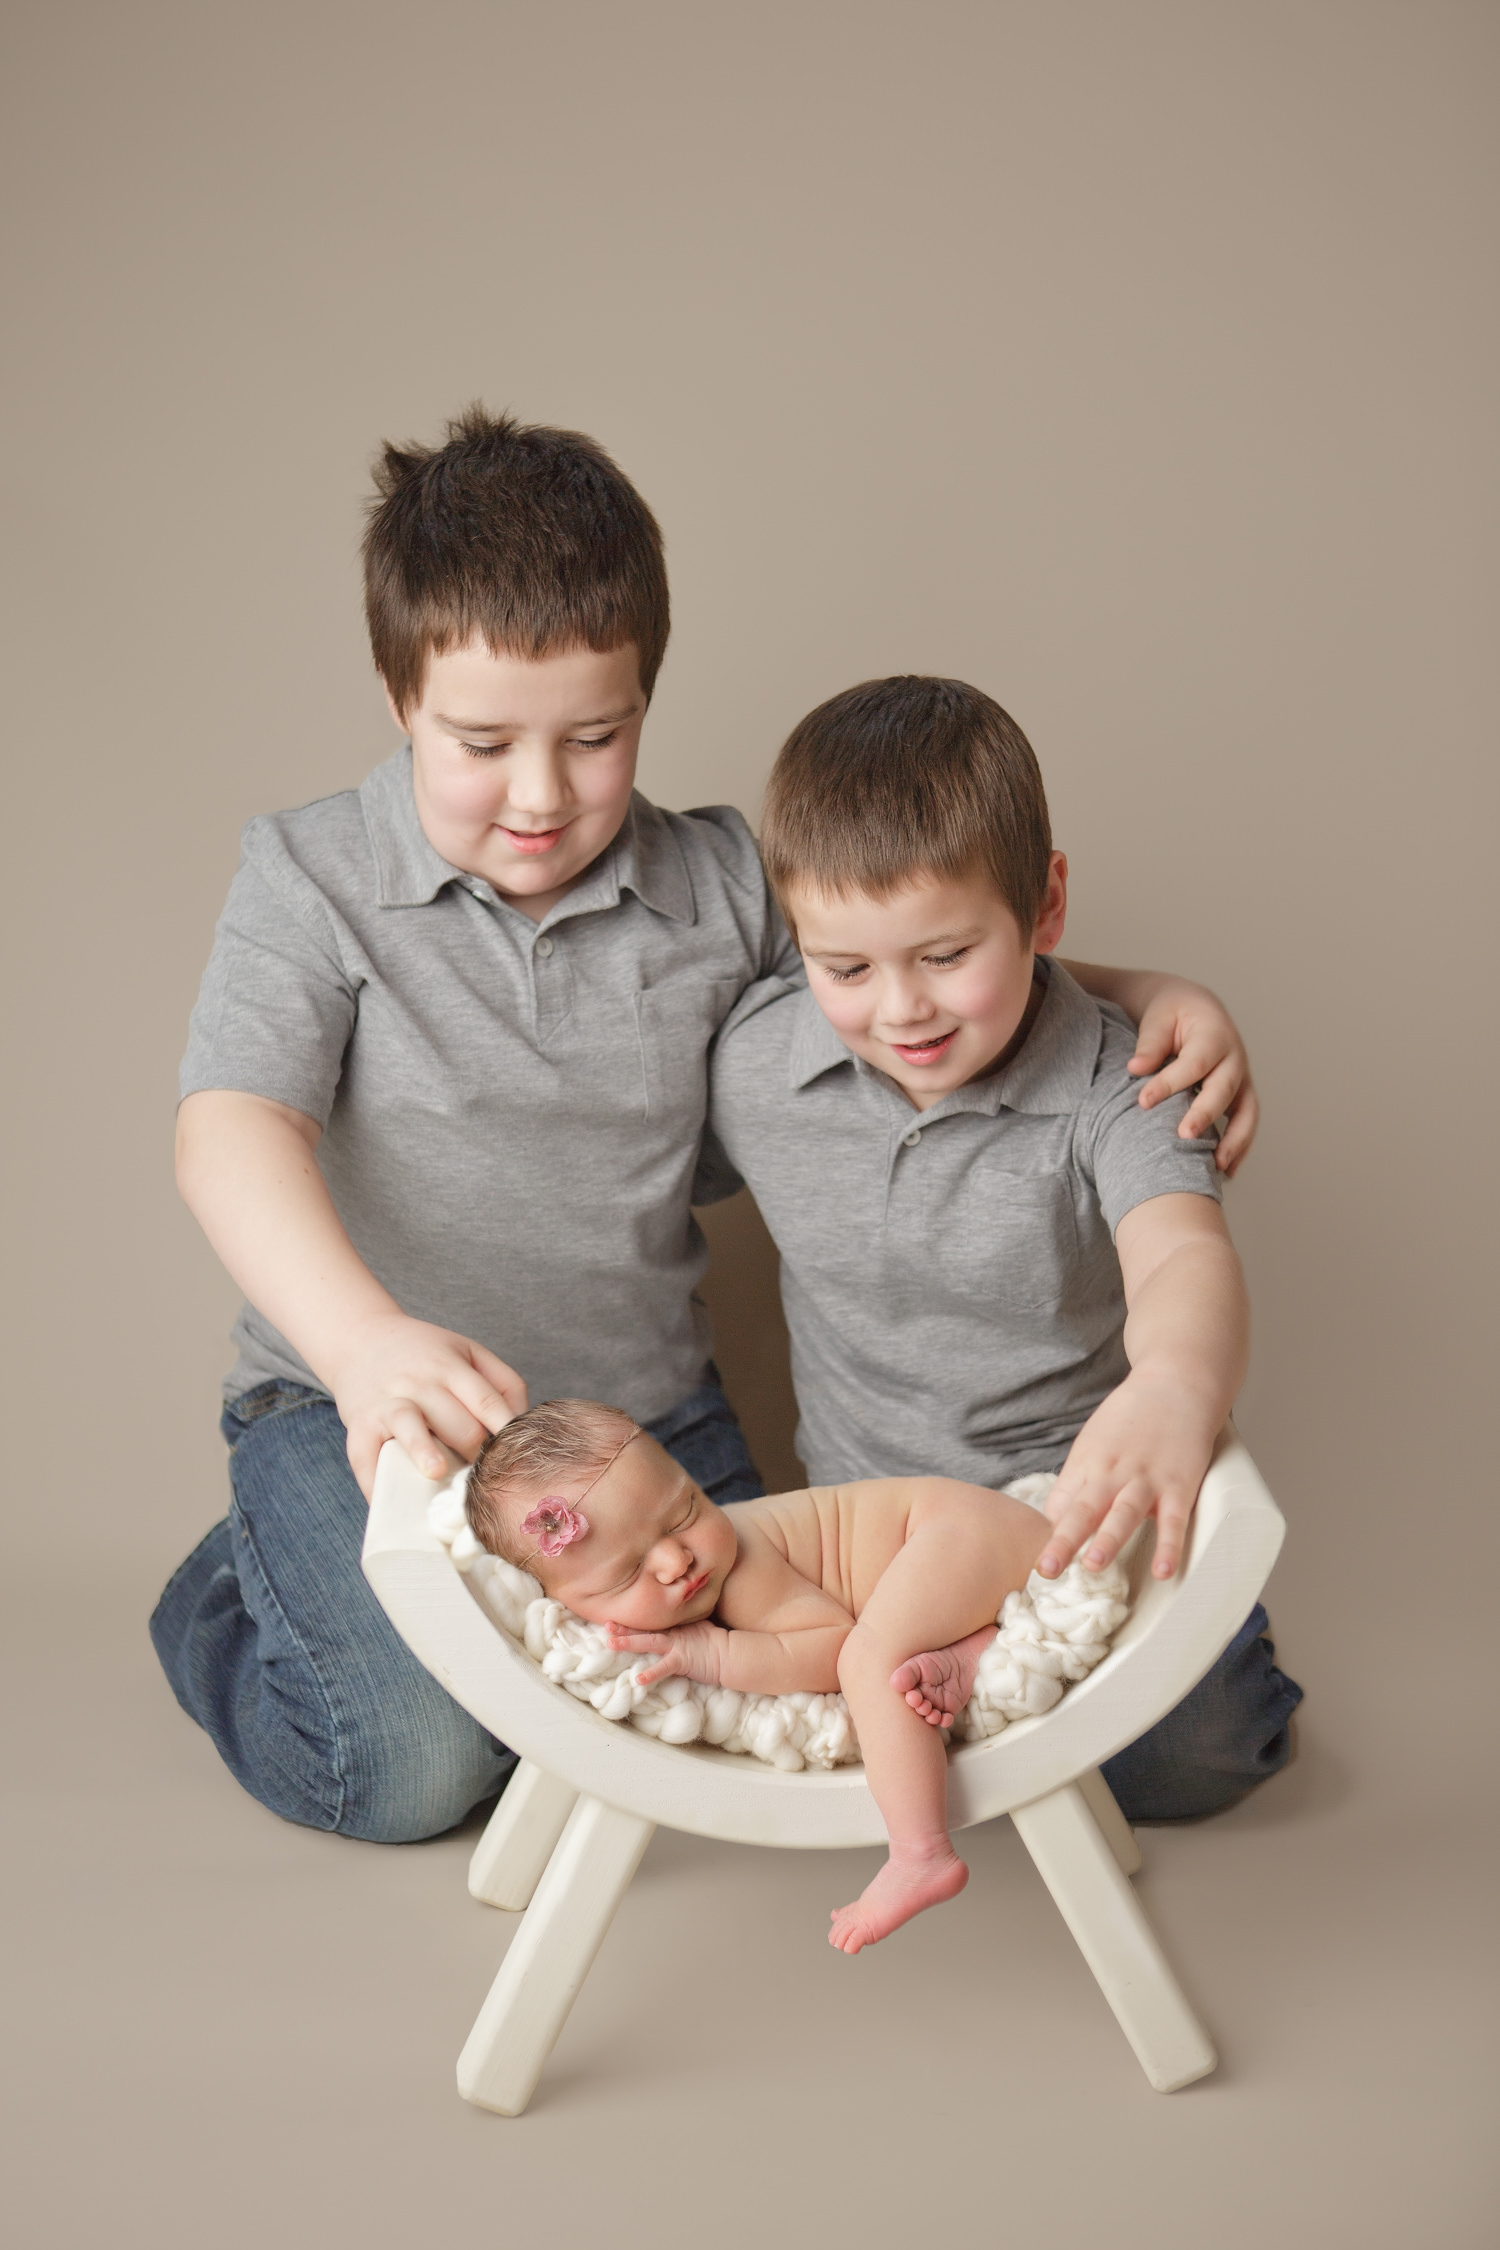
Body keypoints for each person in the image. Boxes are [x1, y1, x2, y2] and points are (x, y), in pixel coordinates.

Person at [153, 407, 1262, 1843]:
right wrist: (363, 1348)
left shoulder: (725, 885)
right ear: (397, 693)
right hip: (373, 1411)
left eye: (595, 737)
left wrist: (1148, 991)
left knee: (753, 1720)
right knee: (417, 1768)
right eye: (482, 742)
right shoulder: (309, 878)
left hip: (646, 1434)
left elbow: (905, 972)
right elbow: (228, 1128)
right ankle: (227, 1588)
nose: (541, 794)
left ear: (645, 700)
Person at [707, 675, 1302, 1823]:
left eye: (945, 955)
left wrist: (1176, 1385)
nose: (901, 1009)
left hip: (1066, 1523)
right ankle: (956, 1671)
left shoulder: (1120, 1083)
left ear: (1046, 905)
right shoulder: (755, 1066)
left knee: (1201, 1757)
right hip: (867, 1538)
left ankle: (1062, 1665)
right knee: (777, 1706)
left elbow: (1181, 1257)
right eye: (847, 969)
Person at [466, 1398, 1056, 1951]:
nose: (677, 1560)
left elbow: (832, 1648)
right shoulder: (656, 1575)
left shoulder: (742, 1567)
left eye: (685, 1512)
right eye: (626, 1575)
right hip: (975, 1553)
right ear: (562, 1602)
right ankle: (975, 1645)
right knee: (892, 1644)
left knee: (870, 1659)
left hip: (965, 1534)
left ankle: (921, 1854)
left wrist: (716, 1654)